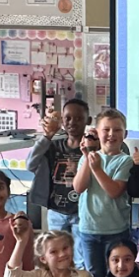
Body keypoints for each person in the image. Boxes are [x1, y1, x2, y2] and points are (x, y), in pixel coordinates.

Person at [26, 98, 90, 268]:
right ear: (62, 120)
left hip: (81, 212)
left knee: (81, 258)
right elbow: (30, 164)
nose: (72, 123)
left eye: (79, 118)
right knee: (56, 256)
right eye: (68, 118)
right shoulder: (53, 146)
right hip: (56, 211)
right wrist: (47, 136)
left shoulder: (90, 148)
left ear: (88, 121)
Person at [73, 108, 133, 277]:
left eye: (117, 130)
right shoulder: (87, 158)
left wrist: (97, 169)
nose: (111, 134)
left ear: (125, 134)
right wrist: (87, 157)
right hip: (88, 228)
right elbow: (78, 187)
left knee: (116, 275)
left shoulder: (125, 160)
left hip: (115, 230)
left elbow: (114, 191)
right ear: (97, 132)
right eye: (106, 129)